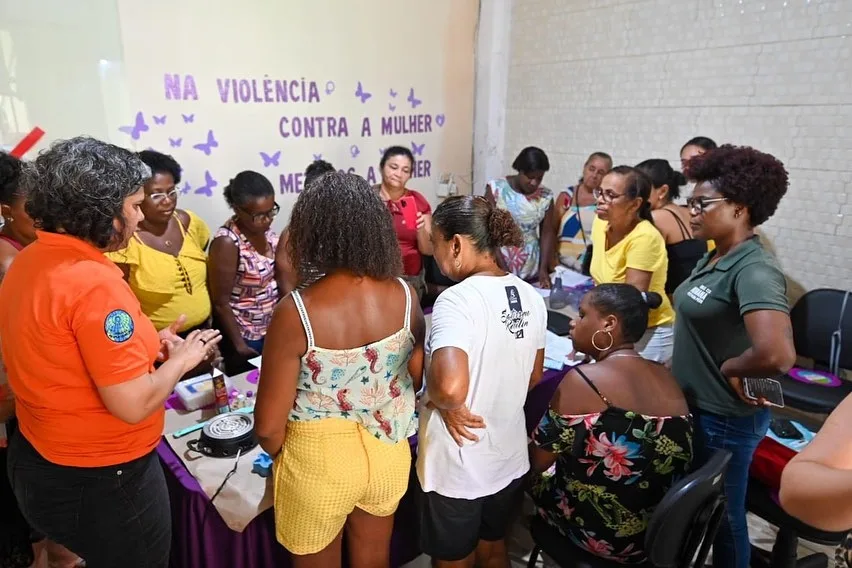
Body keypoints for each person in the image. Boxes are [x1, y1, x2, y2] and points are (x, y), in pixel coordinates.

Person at [0, 137, 221, 568]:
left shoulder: (28, 260)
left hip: (39, 458)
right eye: (135, 205)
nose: (140, 217)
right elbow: (132, 403)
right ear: (100, 210)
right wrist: (182, 359)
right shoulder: (94, 284)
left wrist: (148, 343)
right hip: (104, 477)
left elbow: (60, 348)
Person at [254, 172, 425, 567]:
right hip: (387, 451)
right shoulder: (404, 293)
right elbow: (413, 378)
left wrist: (285, 456)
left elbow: (266, 427)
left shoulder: (297, 312)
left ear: (310, 233)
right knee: (373, 558)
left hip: (319, 462)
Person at [674, 144, 796, 568]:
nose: (691, 212)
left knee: (724, 518)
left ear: (740, 208)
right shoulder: (716, 255)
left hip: (723, 418)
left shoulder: (754, 269)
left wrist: (732, 368)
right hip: (699, 408)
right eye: (689, 203)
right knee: (704, 511)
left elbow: (777, 354)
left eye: (701, 204)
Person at [417, 195, 547, 567]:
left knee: (453, 559)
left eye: (437, 244)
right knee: (493, 548)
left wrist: (446, 403)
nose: (436, 257)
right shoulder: (529, 295)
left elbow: (451, 388)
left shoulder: (456, 301)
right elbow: (533, 375)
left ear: (456, 244)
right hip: (506, 455)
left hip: (461, 462)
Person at [530, 284, 693, 565]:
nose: (573, 321)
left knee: (511, 474)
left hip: (602, 535)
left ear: (609, 324)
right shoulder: (667, 376)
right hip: (655, 535)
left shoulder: (585, 381)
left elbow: (537, 462)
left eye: (582, 315)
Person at [106, 150, 212, 335]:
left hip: (206, 331)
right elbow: (121, 304)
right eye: (156, 195)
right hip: (161, 343)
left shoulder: (189, 222)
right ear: (137, 197)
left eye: (172, 192)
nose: (167, 201)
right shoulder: (124, 243)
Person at [589, 166, 675, 362]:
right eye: (600, 192)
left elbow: (631, 303)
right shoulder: (601, 222)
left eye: (610, 195)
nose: (601, 199)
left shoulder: (644, 237)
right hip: (611, 323)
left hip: (646, 332)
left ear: (635, 204)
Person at [208, 171, 282, 374]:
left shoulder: (265, 232)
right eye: (259, 215)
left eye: (271, 211)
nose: (267, 220)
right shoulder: (227, 243)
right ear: (238, 210)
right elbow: (220, 302)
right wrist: (239, 345)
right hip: (245, 335)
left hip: (271, 328)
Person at [486, 146, 555, 287]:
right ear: (520, 170)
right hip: (499, 262)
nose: (534, 183)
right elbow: (488, 232)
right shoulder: (496, 189)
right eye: (530, 177)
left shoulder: (545, 196)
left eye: (539, 178)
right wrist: (503, 269)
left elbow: (547, 233)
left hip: (531, 268)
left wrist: (543, 269)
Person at [636, 159, 707, 295]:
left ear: (662, 191)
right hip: (694, 294)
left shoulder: (657, 218)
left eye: (642, 190)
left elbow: (643, 264)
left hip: (671, 300)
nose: (636, 196)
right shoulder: (686, 211)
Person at [375, 146, 433, 299]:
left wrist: (420, 229)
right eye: (393, 167)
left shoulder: (417, 201)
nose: (398, 174)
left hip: (410, 279)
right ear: (382, 167)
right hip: (375, 277)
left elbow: (428, 250)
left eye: (405, 170)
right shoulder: (368, 198)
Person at [275, 159, 336, 296]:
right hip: (308, 310)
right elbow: (287, 289)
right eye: (316, 196)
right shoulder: (293, 234)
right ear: (305, 195)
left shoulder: (345, 229)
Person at [554, 152, 612, 273]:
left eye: (601, 172)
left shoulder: (606, 202)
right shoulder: (567, 195)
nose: (594, 175)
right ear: (584, 168)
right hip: (561, 266)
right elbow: (552, 230)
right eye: (592, 169)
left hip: (589, 269)